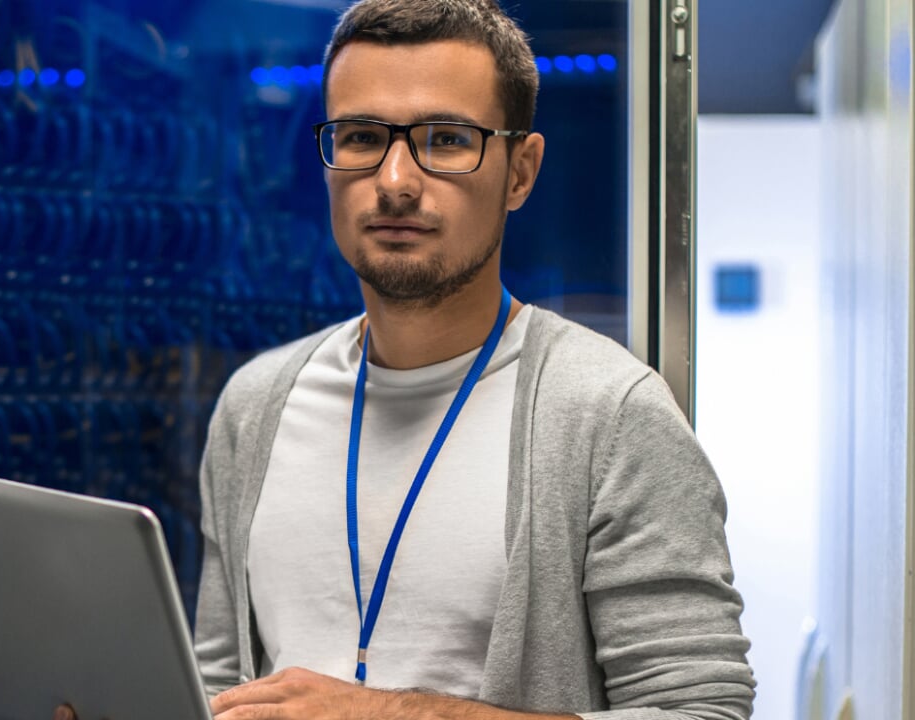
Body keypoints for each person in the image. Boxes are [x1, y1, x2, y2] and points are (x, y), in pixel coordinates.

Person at [59, 0, 755, 718]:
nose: (394, 179)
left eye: (446, 139)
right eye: (362, 136)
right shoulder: (256, 403)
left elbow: (702, 711)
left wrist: (389, 713)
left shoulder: (608, 415)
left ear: (520, 172)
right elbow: (222, 685)